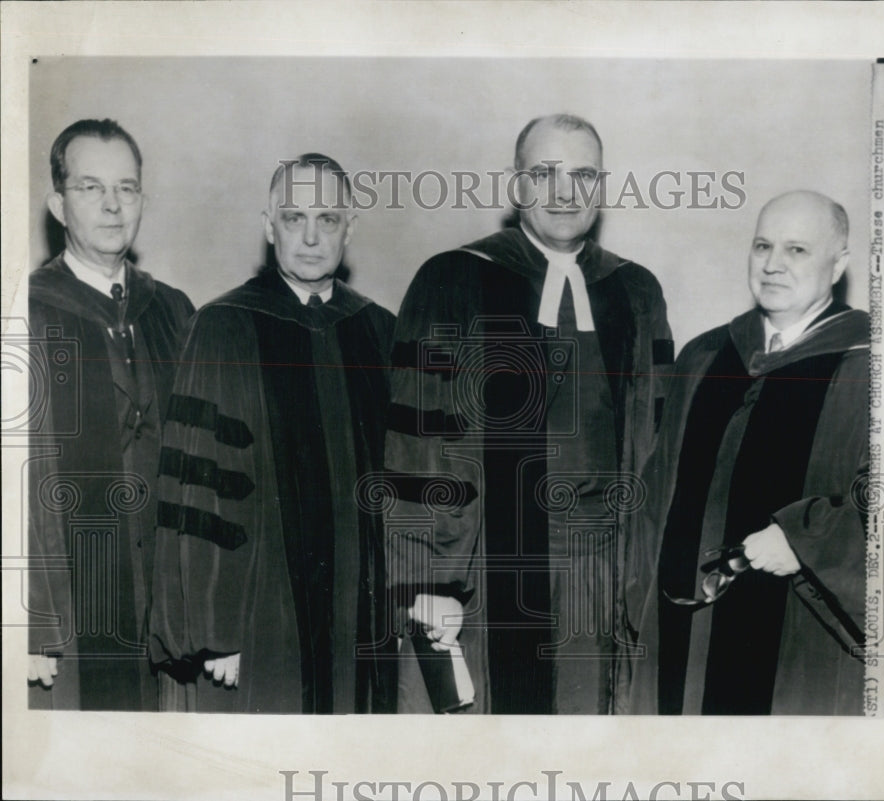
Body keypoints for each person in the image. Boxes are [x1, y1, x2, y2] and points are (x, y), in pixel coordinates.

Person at [385, 114, 673, 714]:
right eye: (545, 174)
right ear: (516, 185)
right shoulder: (454, 280)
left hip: (603, 574)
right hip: (487, 567)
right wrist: (429, 583)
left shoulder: (635, 293)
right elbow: (419, 445)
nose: (566, 192)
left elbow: (657, 449)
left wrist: (643, 581)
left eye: (584, 175)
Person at [148, 154, 396, 713]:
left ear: (349, 230)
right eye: (293, 218)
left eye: (328, 219)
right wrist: (214, 629)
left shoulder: (379, 332)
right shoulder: (223, 327)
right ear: (268, 226)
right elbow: (199, 490)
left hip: (359, 615)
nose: (310, 237)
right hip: (258, 616)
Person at [628, 190, 869, 716]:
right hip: (685, 630)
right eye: (763, 246)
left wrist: (807, 540)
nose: (773, 265)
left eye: (797, 250)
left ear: (839, 265)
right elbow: (655, 496)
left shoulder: (873, 366)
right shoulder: (707, 355)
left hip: (799, 643)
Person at [27, 118, 195, 710]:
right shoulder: (25, 314)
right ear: (57, 202)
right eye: (90, 187)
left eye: (126, 188)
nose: (112, 205)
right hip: (71, 598)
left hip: (166, 604)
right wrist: (33, 617)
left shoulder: (174, 312)